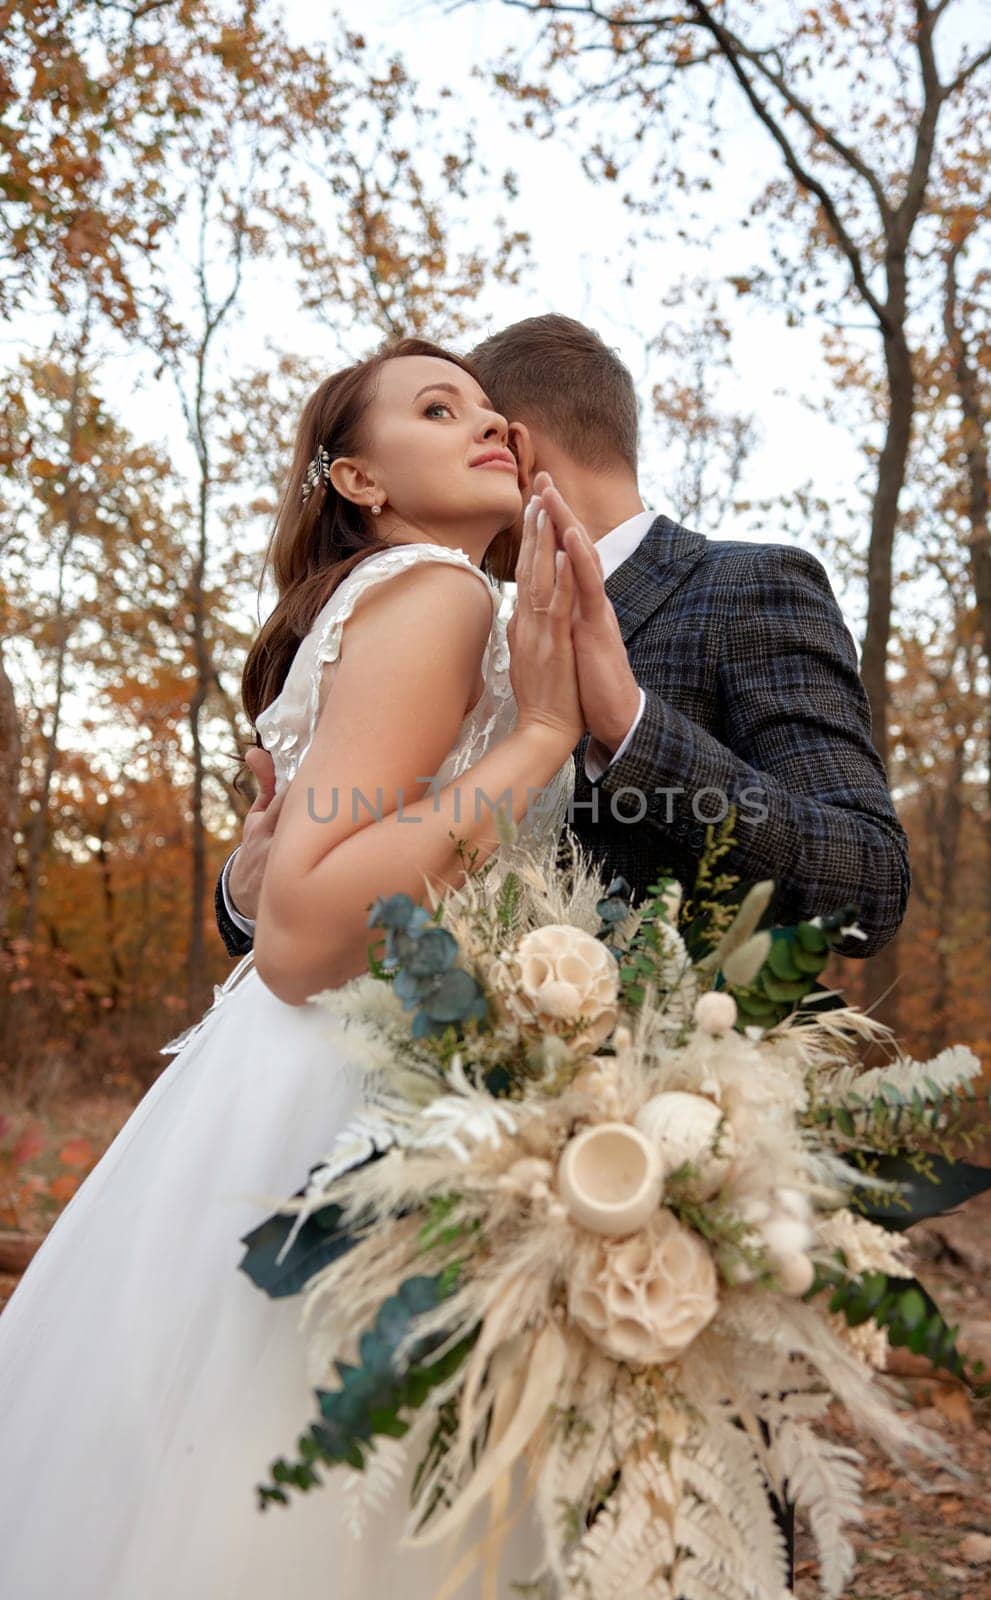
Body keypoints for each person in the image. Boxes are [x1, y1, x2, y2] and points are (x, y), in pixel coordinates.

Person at [0, 338, 588, 1598]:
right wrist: (541, 730)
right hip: (351, 1081)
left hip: (283, 1086)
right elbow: (311, 926)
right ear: (360, 479)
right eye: (439, 409)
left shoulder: (383, 597)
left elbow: (293, 874)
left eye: (491, 410)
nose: (488, 425)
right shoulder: (438, 591)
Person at [219, 314, 909, 965]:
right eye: (439, 411)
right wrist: (246, 898)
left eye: (474, 416)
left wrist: (635, 731)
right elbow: (352, 875)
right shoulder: (449, 619)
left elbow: (870, 883)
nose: (470, 431)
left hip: (658, 1074)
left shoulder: (747, 587)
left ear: (512, 446)